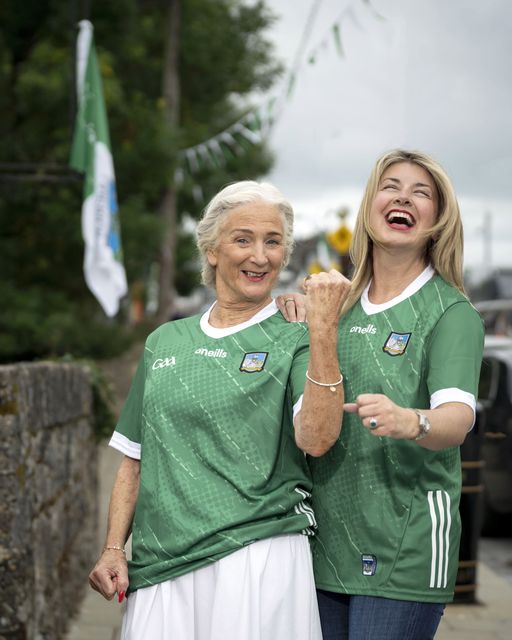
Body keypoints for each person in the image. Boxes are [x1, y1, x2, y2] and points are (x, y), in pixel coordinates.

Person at [88, 180, 351, 640]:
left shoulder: (296, 335)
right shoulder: (163, 342)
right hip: (161, 563)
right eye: (243, 239)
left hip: (257, 557)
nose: (260, 255)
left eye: (273, 242)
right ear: (211, 249)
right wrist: (114, 547)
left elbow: (318, 437)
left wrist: (323, 331)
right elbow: (134, 458)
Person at [279, 149, 484, 640]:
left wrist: (411, 421)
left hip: (405, 551)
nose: (404, 198)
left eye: (421, 193)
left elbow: (457, 418)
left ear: (438, 220)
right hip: (323, 543)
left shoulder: (450, 311)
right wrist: (297, 318)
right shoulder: (335, 307)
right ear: (371, 205)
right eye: (392, 186)